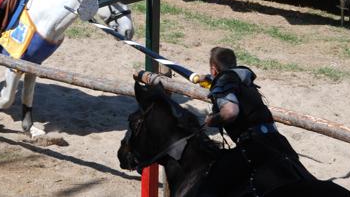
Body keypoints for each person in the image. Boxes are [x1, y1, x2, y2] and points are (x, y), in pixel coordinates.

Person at [133, 47, 314, 191]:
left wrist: (214, 119)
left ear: (213, 67)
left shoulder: (224, 83)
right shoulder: (242, 77)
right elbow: (224, 80)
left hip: (253, 147)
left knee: (209, 185)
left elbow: (231, 111)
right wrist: (207, 78)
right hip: (277, 142)